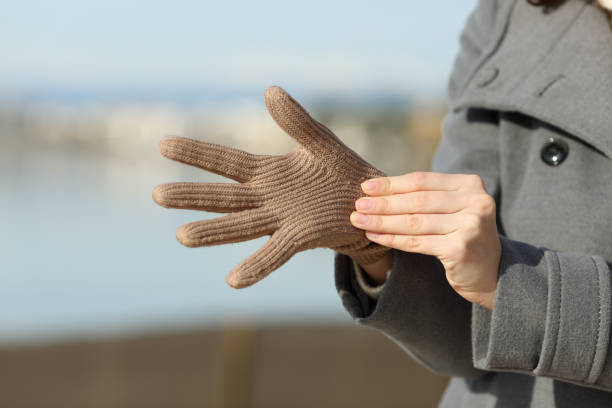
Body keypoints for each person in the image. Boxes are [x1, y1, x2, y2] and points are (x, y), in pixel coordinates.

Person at [154, 0, 612, 406]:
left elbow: (498, 284)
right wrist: (376, 241)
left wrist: (510, 283)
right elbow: (464, 344)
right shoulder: (510, 16)